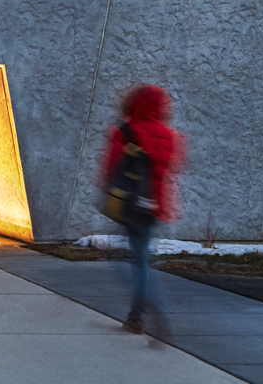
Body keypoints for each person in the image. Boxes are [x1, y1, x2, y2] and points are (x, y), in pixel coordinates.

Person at [98, 84, 183, 337]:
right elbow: (173, 167)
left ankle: (144, 306)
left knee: (123, 260)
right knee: (142, 259)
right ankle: (139, 312)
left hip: (128, 203)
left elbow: (111, 166)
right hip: (153, 206)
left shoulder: (125, 131)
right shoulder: (169, 135)